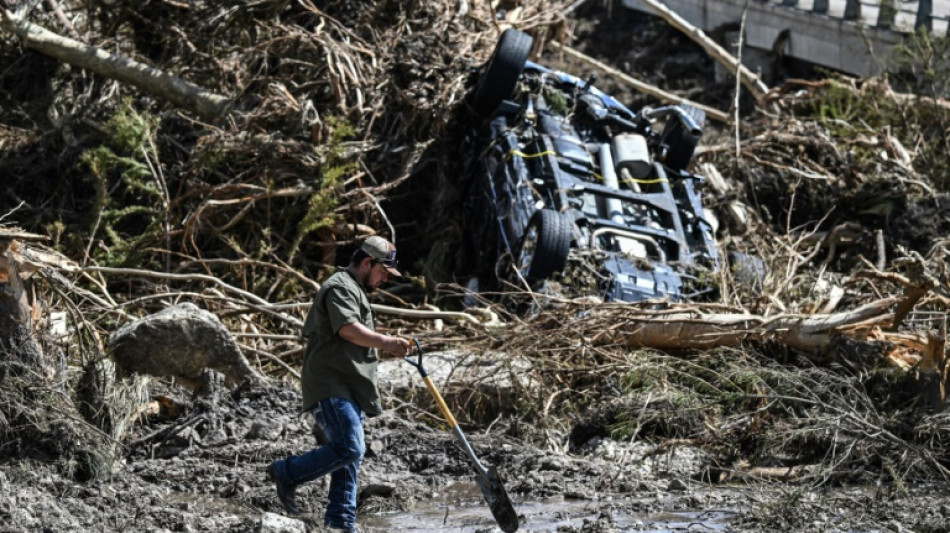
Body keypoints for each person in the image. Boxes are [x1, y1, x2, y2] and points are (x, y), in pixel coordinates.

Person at [268, 235, 410, 531]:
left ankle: (341, 522)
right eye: (383, 272)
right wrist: (388, 342)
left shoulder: (354, 289)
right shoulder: (340, 287)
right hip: (330, 384)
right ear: (368, 263)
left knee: (349, 457)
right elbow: (348, 330)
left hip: (348, 386)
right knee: (350, 447)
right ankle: (286, 473)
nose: (384, 279)